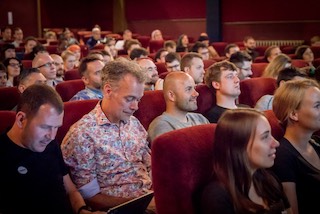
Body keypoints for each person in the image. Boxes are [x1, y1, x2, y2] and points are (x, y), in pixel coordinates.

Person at [61, 58, 155, 212]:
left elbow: (150, 164)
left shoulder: (133, 123)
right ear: (108, 90)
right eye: (129, 98)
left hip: (151, 196)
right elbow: (90, 196)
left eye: (138, 99)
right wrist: (141, 204)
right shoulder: (82, 134)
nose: (135, 107)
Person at [0, 84, 104, 214]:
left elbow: (71, 190)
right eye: (45, 127)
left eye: (56, 127)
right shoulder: (3, 154)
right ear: (21, 119)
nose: (52, 135)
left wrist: (82, 210)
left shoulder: (51, 145)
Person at [200, 108, 291, 214]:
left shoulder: (269, 179)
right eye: (265, 137)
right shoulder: (217, 197)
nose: (276, 143)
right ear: (239, 146)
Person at [271, 78, 320, 214]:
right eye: (317, 105)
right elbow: (292, 210)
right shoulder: (283, 155)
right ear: (293, 114)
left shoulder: (316, 142)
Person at [148, 71, 209, 142]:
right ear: (171, 96)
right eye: (188, 89)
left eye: (194, 88)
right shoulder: (160, 126)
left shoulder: (200, 118)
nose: (196, 93)